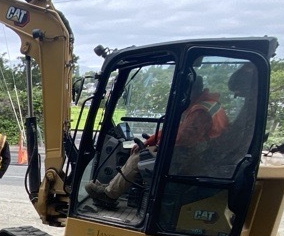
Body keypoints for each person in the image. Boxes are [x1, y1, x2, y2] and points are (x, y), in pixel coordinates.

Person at [85, 75, 227, 208]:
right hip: (198, 154)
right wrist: (150, 142)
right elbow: (173, 129)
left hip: (193, 158)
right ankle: (111, 187)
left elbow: (183, 138)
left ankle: (109, 195)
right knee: (144, 151)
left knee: (140, 158)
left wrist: (157, 146)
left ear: (189, 90)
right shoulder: (205, 105)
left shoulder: (200, 111)